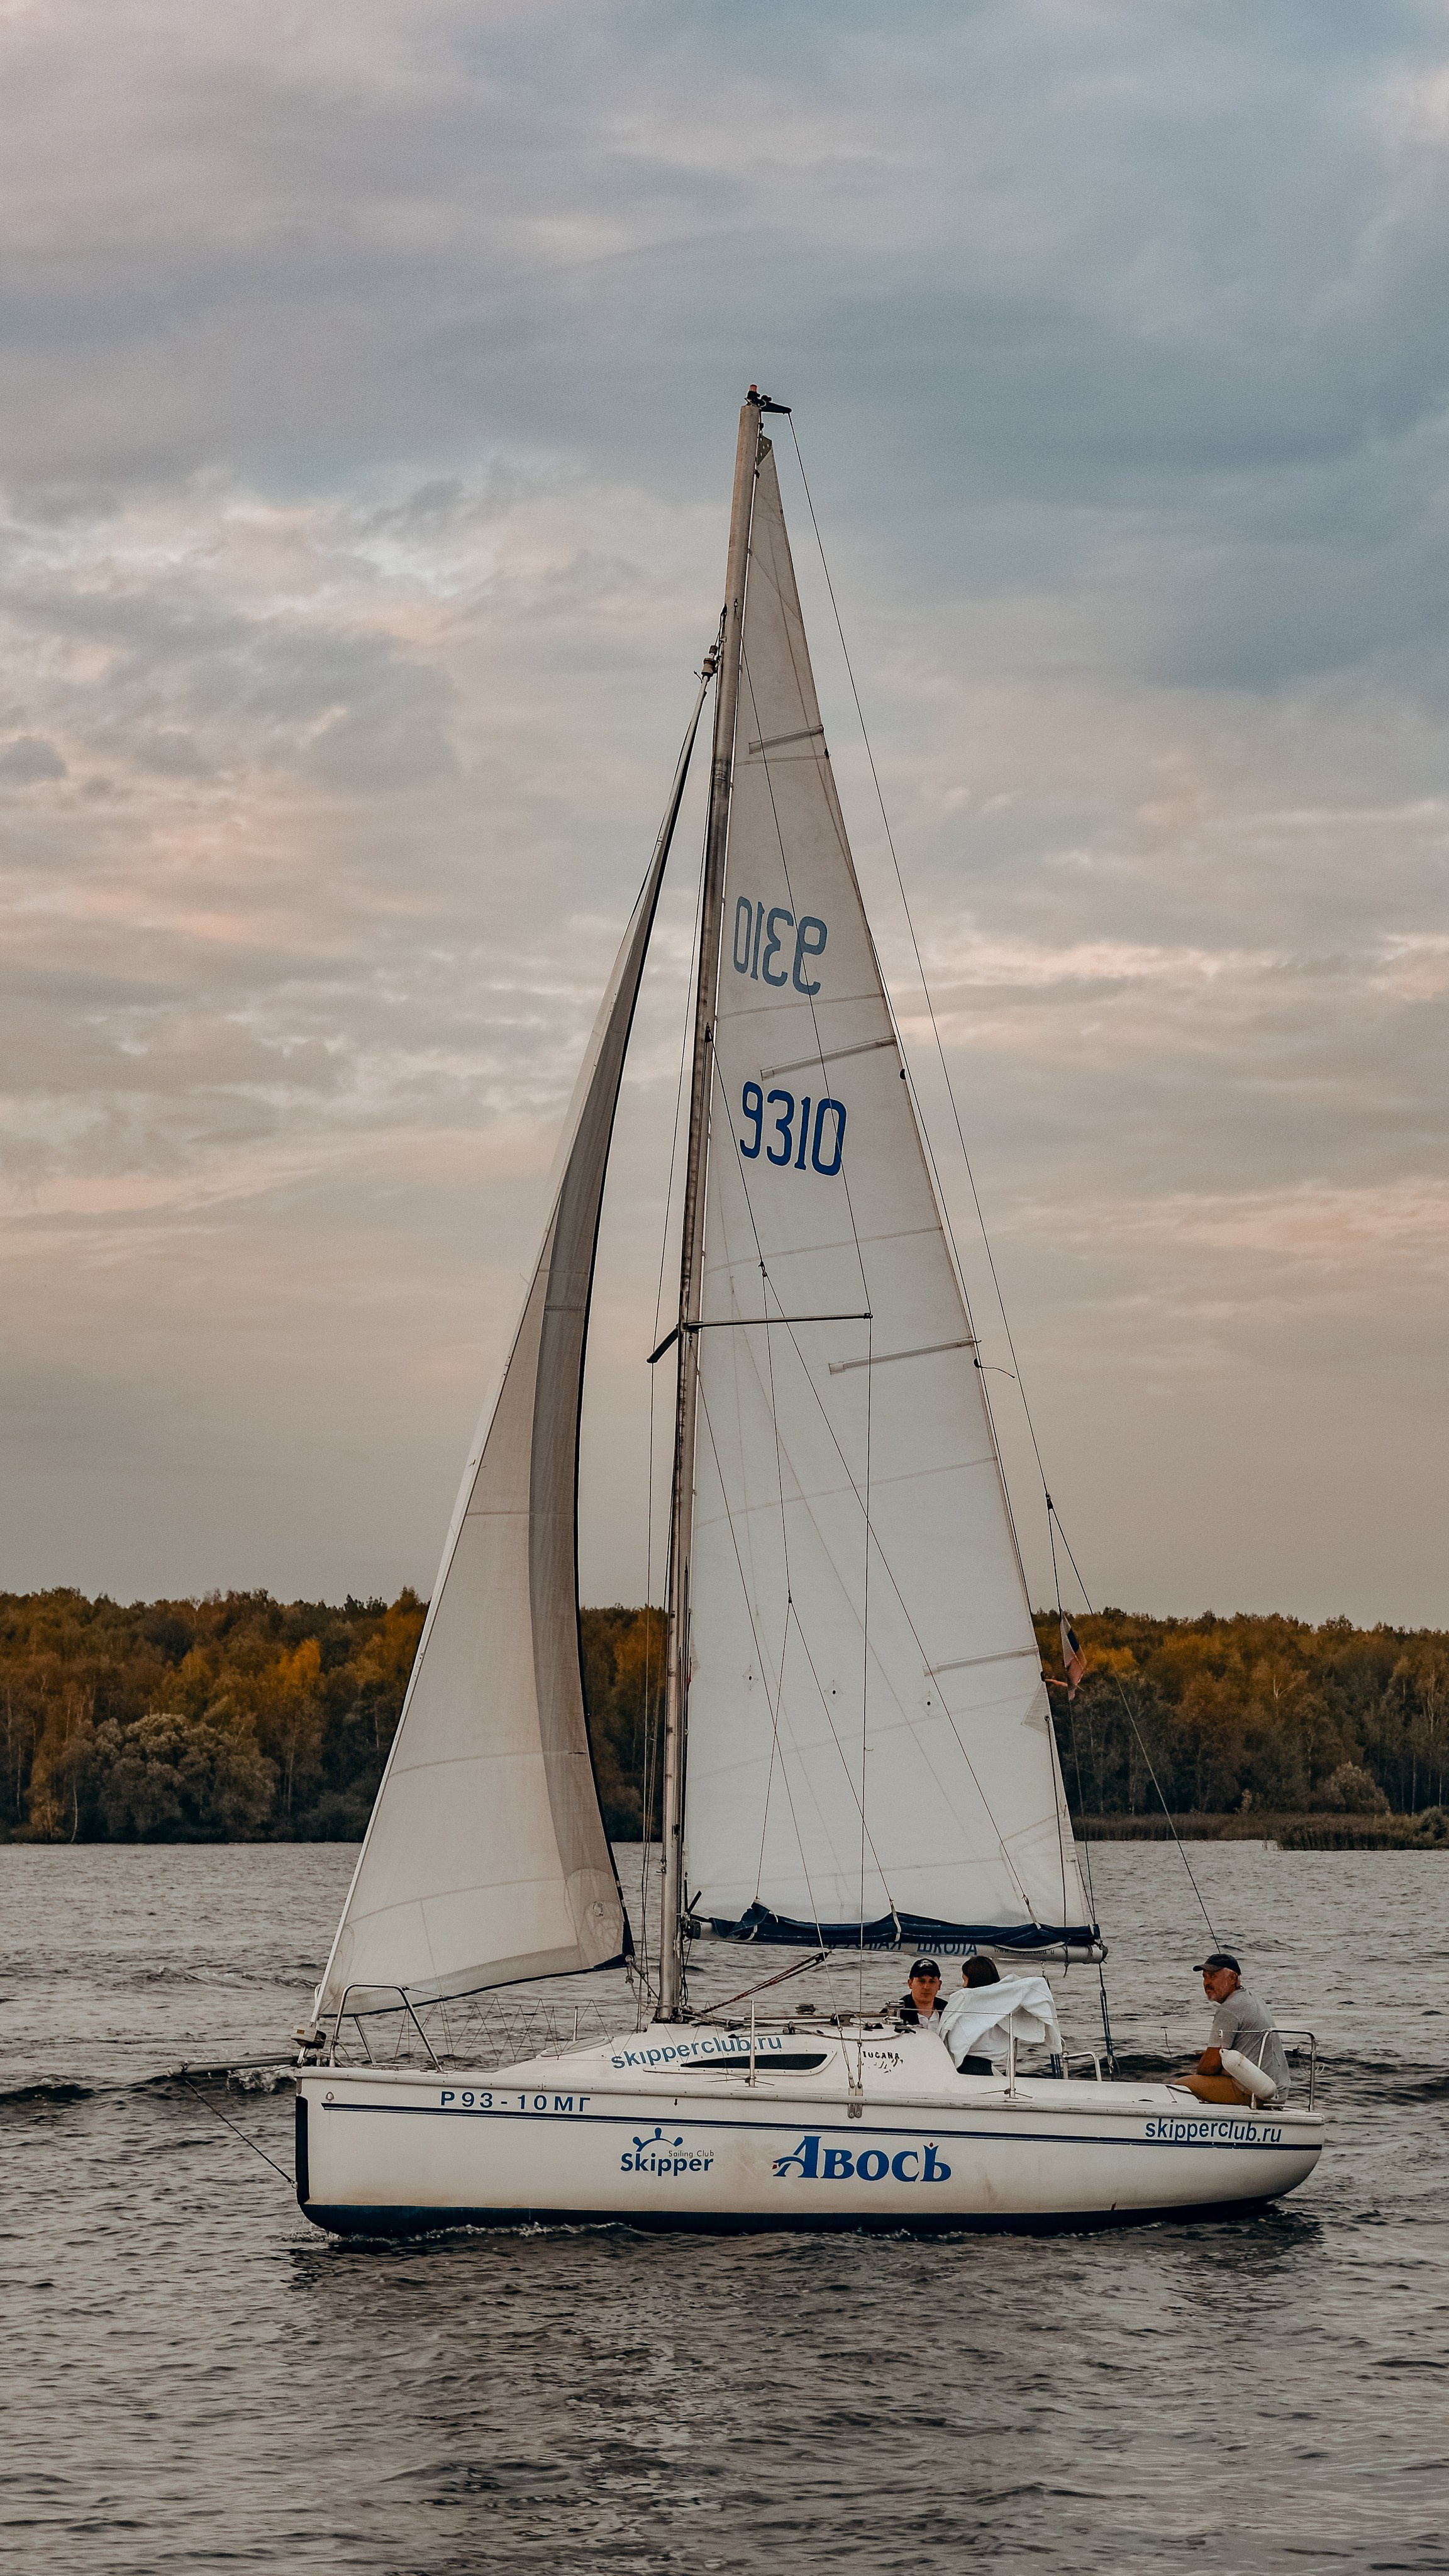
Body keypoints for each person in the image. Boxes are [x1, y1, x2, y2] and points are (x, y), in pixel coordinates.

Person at [1172, 1952, 1291, 2103]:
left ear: (1233, 1978)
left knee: (1180, 2086)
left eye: (1213, 1976)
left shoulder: (1229, 2009)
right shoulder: (1253, 1999)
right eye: (1205, 1977)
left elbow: (1209, 2067)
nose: (1207, 1982)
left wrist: (1204, 2066)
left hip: (1254, 2093)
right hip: (1277, 2091)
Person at [938, 1955, 1063, 2077]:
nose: (963, 1985)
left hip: (963, 2068)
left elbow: (947, 2031)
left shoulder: (965, 1999)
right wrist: (1055, 2045)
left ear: (973, 1979)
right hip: (986, 2069)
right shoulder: (1008, 2002)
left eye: (964, 1980)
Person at [897, 1959, 945, 2032]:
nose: (926, 1987)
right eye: (921, 1981)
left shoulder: (948, 2010)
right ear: (910, 1983)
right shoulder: (897, 2012)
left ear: (939, 1985)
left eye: (932, 1981)